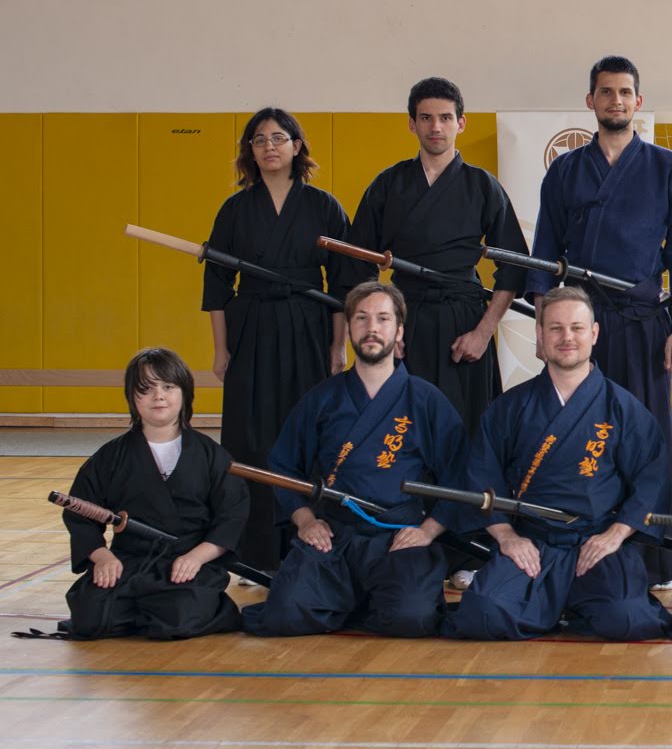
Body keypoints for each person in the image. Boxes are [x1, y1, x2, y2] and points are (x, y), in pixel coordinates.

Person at [526, 55, 672, 588]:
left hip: (645, 321)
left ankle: (655, 556)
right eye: (606, 92)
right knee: (583, 432)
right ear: (591, 102)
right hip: (581, 324)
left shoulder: (667, 167)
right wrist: (544, 329)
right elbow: (546, 252)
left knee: (646, 436)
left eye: (625, 92)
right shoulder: (566, 171)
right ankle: (581, 542)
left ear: (638, 102)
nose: (616, 101)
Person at [444, 286, 672, 640]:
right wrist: (507, 538)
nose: (567, 337)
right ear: (540, 334)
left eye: (577, 328)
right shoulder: (511, 407)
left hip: (596, 543)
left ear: (594, 334)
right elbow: (482, 476)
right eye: (555, 328)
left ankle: (555, 605)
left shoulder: (622, 407)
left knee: (628, 619)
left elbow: (651, 479)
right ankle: (553, 603)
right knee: (484, 614)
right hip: (533, 543)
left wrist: (615, 535)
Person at [242, 283, 464, 638]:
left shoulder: (425, 399)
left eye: (382, 318)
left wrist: (426, 531)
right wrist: (305, 521)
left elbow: (459, 476)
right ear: (348, 329)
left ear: (399, 331)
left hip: (398, 538)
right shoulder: (323, 398)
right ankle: (356, 600)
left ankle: (363, 602)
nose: (371, 328)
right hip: (336, 538)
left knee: (414, 618)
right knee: (285, 613)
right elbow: (283, 467)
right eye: (361, 318)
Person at [204, 107, 353, 576]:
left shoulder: (324, 205)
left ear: (296, 146)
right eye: (259, 139)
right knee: (251, 436)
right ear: (250, 150)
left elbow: (343, 286)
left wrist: (338, 346)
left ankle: (310, 543)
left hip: (309, 325)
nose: (270, 146)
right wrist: (221, 349)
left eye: (279, 137)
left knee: (309, 431)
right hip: (251, 329)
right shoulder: (234, 210)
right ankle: (255, 553)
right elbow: (216, 287)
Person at [346, 77, 528, 443]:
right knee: (401, 429)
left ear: (461, 123)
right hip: (404, 321)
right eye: (426, 118)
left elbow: (515, 266)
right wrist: (382, 330)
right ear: (411, 123)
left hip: (463, 324)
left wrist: (483, 332)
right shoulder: (389, 184)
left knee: (464, 428)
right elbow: (357, 265)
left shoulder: (481, 185)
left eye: (445, 117)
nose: (436, 127)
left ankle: (465, 502)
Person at [60, 348, 247, 640]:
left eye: (168, 387)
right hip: (130, 560)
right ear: (133, 399)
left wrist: (197, 557)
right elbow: (80, 512)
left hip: (186, 562)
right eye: (146, 389)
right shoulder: (111, 456)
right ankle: (145, 608)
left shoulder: (212, 456)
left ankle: (200, 608)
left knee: (179, 617)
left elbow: (231, 516)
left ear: (185, 393)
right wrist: (102, 557)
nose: (158, 396)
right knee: (89, 616)